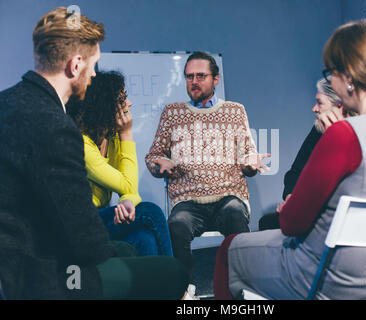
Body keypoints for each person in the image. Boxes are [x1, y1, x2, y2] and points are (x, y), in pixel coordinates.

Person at [214, 21, 366, 300]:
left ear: (349, 77)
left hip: (324, 277)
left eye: (331, 73)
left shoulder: (344, 135)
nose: (331, 82)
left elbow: (291, 223)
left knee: (229, 249)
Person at [0, 7, 187, 299]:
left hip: (19, 255)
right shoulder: (56, 127)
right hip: (39, 274)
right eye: (93, 65)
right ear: (76, 65)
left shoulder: (7, 102)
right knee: (171, 272)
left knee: (130, 245)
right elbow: (85, 241)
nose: (94, 74)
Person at [145, 51, 269, 292]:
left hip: (227, 196)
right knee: (177, 224)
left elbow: (247, 153)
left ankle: (243, 286)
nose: (194, 81)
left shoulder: (234, 111)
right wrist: (160, 164)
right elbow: (153, 156)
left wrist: (250, 164)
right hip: (188, 200)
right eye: (189, 76)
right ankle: (186, 289)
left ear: (215, 79)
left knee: (235, 214)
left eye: (201, 76)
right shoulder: (172, 113)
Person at [66, 70, 173, 257]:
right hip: (78, 227)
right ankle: (176, 283)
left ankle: (160, 285)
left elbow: (127, 189)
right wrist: (127, 134)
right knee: (152, 212)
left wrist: (126, 202)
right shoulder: (81, 144)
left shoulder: (110, 136)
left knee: (145, 237)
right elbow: (128, 184)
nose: (129, 104)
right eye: (122, 99)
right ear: (105, 106)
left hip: (103, 217)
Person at [259, 78, 352, 230]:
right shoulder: (318, 130)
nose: (314, 109)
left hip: (334, 215)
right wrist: (291, 198)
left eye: (320, 103)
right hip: (312, 208)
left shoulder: (356, 135)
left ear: (339, 106)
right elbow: (295, 172)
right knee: (268, 222)